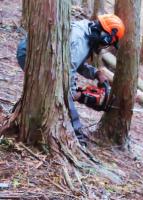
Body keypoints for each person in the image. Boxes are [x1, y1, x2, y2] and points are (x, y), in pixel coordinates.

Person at [16, 14, 125, 144]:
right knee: (63, 96)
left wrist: (96, 73)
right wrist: (76, 94)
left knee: (55, 93)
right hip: (30, 53)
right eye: (108, 44)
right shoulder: (80, 39)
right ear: (105, 37)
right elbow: (68, 70)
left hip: (39, 53)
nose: (104, 47)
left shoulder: (86, 32)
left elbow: (74, 62)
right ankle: (77, 138)